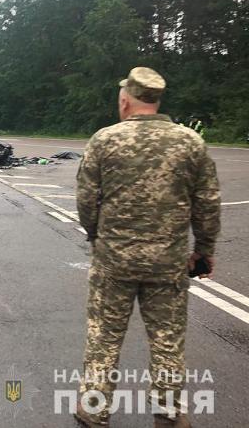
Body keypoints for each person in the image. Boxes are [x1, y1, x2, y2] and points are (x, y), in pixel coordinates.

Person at [75, 67, 221, 428]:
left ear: (125, 101)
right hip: (168, 264)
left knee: (104, 337)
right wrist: (203, 249)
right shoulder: (189, 142)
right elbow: (207, 202)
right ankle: (169, 417)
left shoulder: (105, 140)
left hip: (113, 263)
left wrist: (97, 236)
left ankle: (94, 410)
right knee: (167, 342)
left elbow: (86, 200)